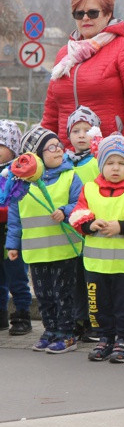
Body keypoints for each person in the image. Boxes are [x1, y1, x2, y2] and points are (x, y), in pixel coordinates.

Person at [43, 0, 124, 165]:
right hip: (67, 160)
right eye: (79, 14)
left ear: (108, 14)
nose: (85, 18)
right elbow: (52, 109)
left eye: (93, 13)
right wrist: (44, 147)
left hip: (110, 160)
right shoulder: (65, 55)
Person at [69, 134, 124, 363]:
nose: (115, 168)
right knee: (98, 306)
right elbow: (77, 215)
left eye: (121, 163)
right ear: (101, 165)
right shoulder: (89, 189)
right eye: (109, 163)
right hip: (96, 264)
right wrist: (89, 224)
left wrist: (122, 226)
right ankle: (105, 338)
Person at [6, 125, 83, 353]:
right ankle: (50, 331)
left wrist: (66, 211)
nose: (59, 150)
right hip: (36, 252)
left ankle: (67, 334)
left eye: (59, 145)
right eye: (51, 148)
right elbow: (15, 217)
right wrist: (12, 244)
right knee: (44, 296)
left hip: (64, 251)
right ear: (37, 157)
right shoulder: (21, 185)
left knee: (63, 295)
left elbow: (81, 203)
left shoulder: (71, 176)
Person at [65, 105, 102, 342]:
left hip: (92, 230)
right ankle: (78, 320)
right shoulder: (64, 162)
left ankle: (94, 323)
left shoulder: (99, 160)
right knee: (75, 280)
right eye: (76, 130)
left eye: (86, 130)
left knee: (93, 281)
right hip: (70, 233)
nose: (81, 135)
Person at [0, 120, 32, 335]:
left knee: (16, 274)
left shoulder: (17, 172)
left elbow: (14, 204)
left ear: (12, 148)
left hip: (12, 232)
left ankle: (22, 313)